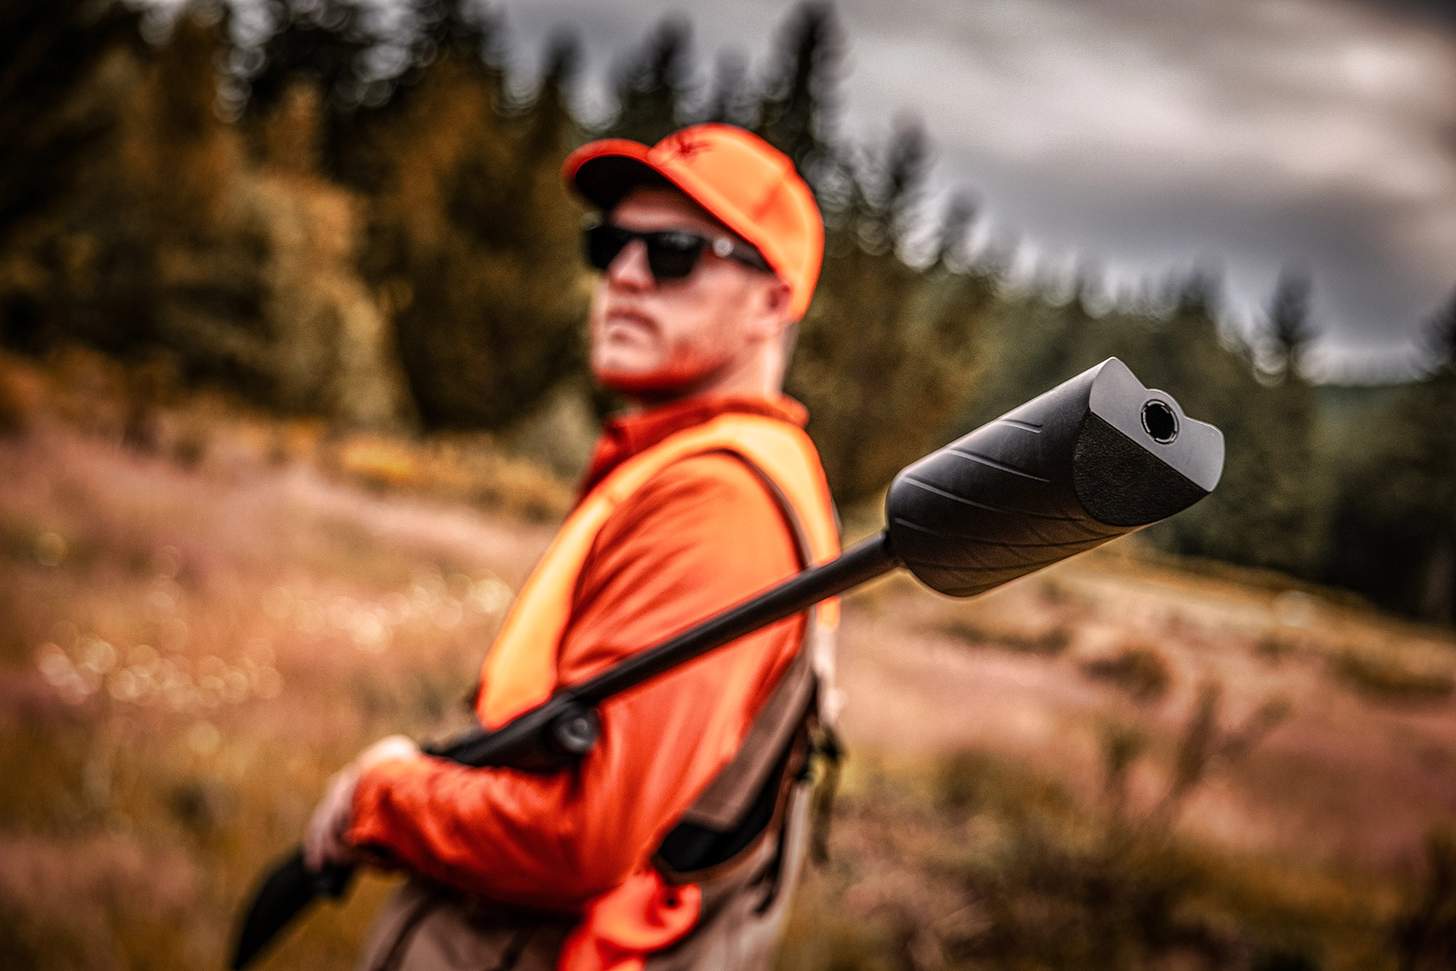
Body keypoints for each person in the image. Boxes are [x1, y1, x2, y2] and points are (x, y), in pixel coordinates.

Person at [303, 123, 842, 971]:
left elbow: (581, 837)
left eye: (672, 253)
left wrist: (385, 795)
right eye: (608, 244)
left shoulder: (717, 501)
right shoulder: (692, 466)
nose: (623, 276)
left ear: (773, 302)